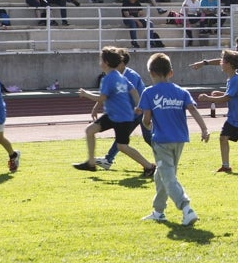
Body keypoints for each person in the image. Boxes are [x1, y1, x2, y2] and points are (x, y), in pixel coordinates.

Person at [136, 53, 208, 226]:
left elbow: (146, 119)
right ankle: (158, 211)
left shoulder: (149, 92)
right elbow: (193, 110)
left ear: (151, 73)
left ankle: (186, 208)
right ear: (171, 72)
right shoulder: (181, 92)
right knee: (161, 176)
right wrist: (204, 128)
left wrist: (146, 124)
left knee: (168, 178)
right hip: (179, 140)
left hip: (161, 141)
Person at [73, 46, 157, 175]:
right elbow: (133, 90)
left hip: (122, 118)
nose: (99, 62)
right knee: (90, 131)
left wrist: (85, 94)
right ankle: (91, 163)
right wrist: (137, 105)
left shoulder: (108, 79)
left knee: (122, 146)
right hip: (114, 115)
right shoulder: (120, 76)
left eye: (100, 60)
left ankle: (149, 166)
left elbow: (102, 97)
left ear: (106, 63)